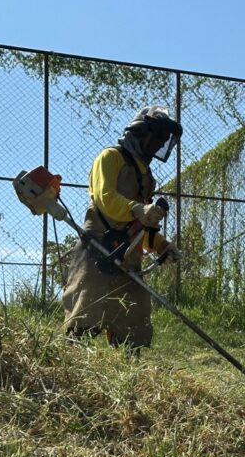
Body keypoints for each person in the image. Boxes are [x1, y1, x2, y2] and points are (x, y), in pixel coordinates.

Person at [62, 105, 183, 350]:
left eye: (164, 140)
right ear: (140, 133)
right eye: (158, 137)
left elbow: (141, 227)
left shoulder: (147, 177)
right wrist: (138, 209)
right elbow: (105, 199)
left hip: (129, 254)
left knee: (135, 318)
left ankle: (128, 363)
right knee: (84, 313)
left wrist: (161, 245)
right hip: (98, 248)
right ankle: (71, 361)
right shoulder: (110, 157)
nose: (160, 144)